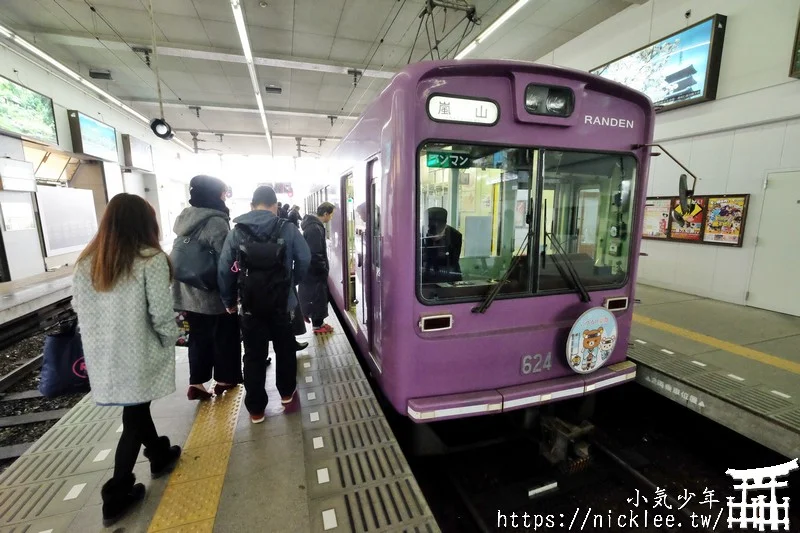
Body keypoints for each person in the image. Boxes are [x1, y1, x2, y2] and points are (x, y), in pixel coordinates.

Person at [71, 194, 181, 527]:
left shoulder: (88, 262)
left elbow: (79, 309)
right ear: (145, 223)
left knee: (136, 409)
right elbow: (161, 314)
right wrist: (170, 339)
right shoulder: (150, 259)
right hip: (139, 351)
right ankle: (117, 494)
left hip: (104, 356)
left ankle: (160, 454)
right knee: (133, 417)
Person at [218, 186, 310, 423]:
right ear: (275, 205)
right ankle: (287, 394)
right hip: (282, 304)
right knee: (285, 349)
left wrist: (229, 301)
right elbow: (305, 258)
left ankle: (256, 410)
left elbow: (225, 269)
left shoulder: (237, 232)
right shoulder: (287, 228)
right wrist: (292, 283)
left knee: (253, 355)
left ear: (251, 205)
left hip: (249, 306)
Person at [171, 175, 242, 401]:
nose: (224, 197)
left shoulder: (185, 218)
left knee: (198, 337)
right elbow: (227, 262)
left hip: (187, 292)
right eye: (222, 193)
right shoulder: (216, 221)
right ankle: (224, 379)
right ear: (214, 194)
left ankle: (196, 383)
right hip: (211, 293)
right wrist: (231, 297)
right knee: (225, 335)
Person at [300, 202, 335, 334]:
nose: (331, 218)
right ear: (325, 214)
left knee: (319, 297)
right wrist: (323, 269)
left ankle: (320, 322)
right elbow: (315, 253)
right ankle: (317, 326)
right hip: (315, 271)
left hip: (314, 270)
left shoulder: (313, 226)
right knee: (317, 297)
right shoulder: (315, 228)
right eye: (331, 215)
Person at [422, 207, 463, 282]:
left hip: (449, 275)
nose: (434, 238)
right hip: (426, 276)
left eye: (439, 234)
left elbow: (453, 261)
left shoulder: (455, 236)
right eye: (431, 235)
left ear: (445, 225)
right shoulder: (420, 233)